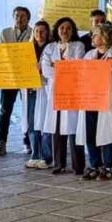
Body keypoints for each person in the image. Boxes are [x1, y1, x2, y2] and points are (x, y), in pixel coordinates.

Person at [77, 24, 112, 180]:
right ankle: (94, 165)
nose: (92, 38)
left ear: (105, 36)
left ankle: (107, 166)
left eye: (96, 34)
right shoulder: (89, 54)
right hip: (91, 98)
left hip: (109, 97)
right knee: (91, 131)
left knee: (108, 130)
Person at [41, 18, 86, 175]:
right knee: (57, 128)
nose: (64, 31)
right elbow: (46, 69)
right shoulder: (50, 47)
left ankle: (78, 166)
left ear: (72, 30)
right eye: (62, 28)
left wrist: (57, 65)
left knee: (74, 129)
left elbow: (77, 66)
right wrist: (65, 67)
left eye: (68, 28)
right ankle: (59, 164)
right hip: (55, 92)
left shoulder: (78, 46)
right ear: (57, 30)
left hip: (72, 91)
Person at [0, 6, 33, 156]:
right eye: (16, 16)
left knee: (28, 110)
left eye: (23, 16)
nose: (19, 19)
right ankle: (1, 142)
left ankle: (28, 141)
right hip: (9, 77)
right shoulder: (5, 33)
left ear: (28, 18)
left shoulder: (33, 32)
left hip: (27, 77)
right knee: (5, 110)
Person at [24, 20, 53, 169]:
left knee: (46, 123)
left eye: (42, 31)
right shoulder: (27, 49)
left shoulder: (51, 49)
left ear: (48, 33)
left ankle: (46, 157)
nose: (39, 34)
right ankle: (35, 154)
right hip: (31, 90)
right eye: (36, 31)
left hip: (46, 89)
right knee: (32, 123)